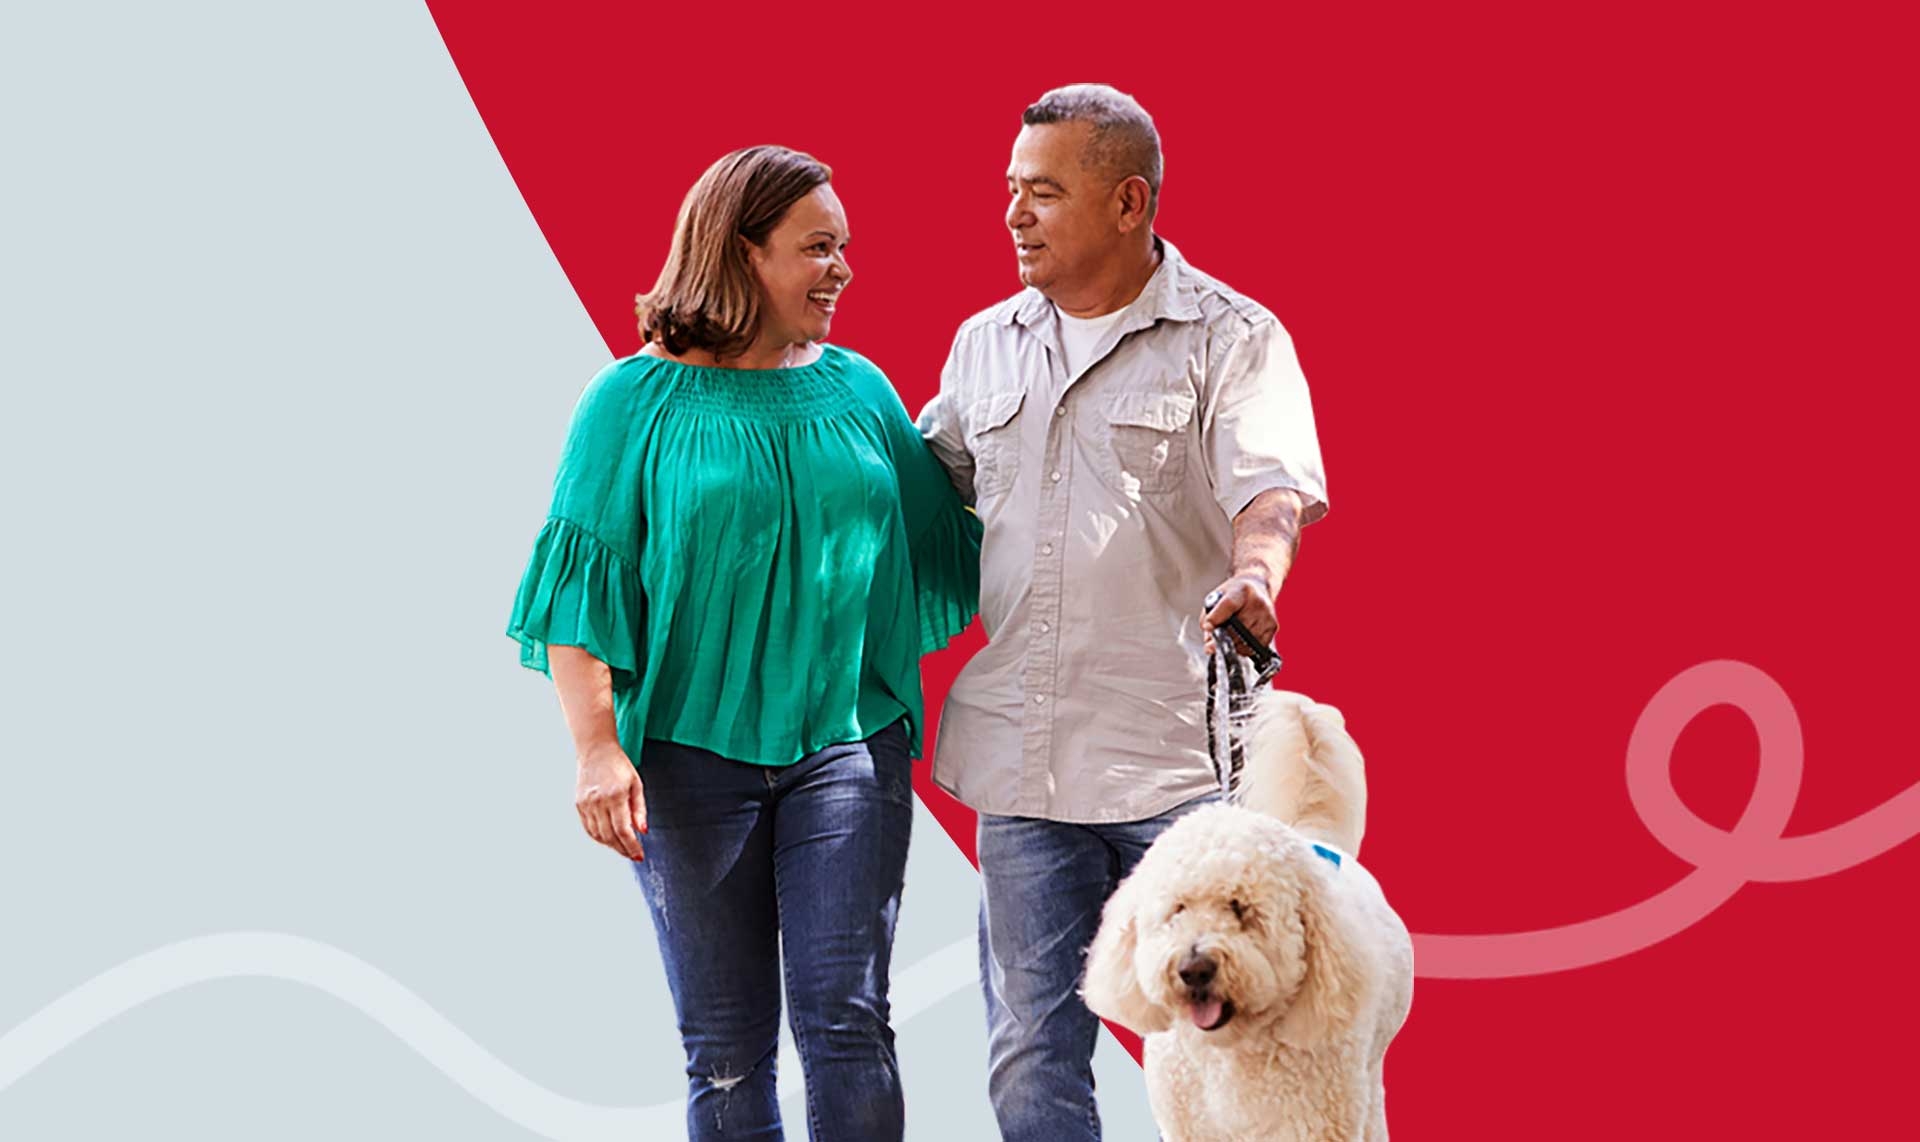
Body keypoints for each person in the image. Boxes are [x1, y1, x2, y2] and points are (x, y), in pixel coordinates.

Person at [506, 145, 981, 1142]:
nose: (843, 268)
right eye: (818, 247)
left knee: (847, 1022)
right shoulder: (628, 405)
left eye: (844, 246)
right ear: (741, 252)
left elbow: (959, 521)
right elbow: (577, 593)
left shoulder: (861, 390)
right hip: (684, 763)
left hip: (847, 746)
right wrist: (596, 746)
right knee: (725, 1053)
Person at [915, 84, 1330, 1140]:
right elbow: (923, 488)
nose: (1013, 215)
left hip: (1178, 767)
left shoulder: (1233, 338)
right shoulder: (983, 345)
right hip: (1025, 762)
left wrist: (1258, 577)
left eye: (1043, 193)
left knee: (1226, 1057)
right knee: (1028, 1051)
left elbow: (1269, 491)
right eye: (1011, 190)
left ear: (1129, 201)